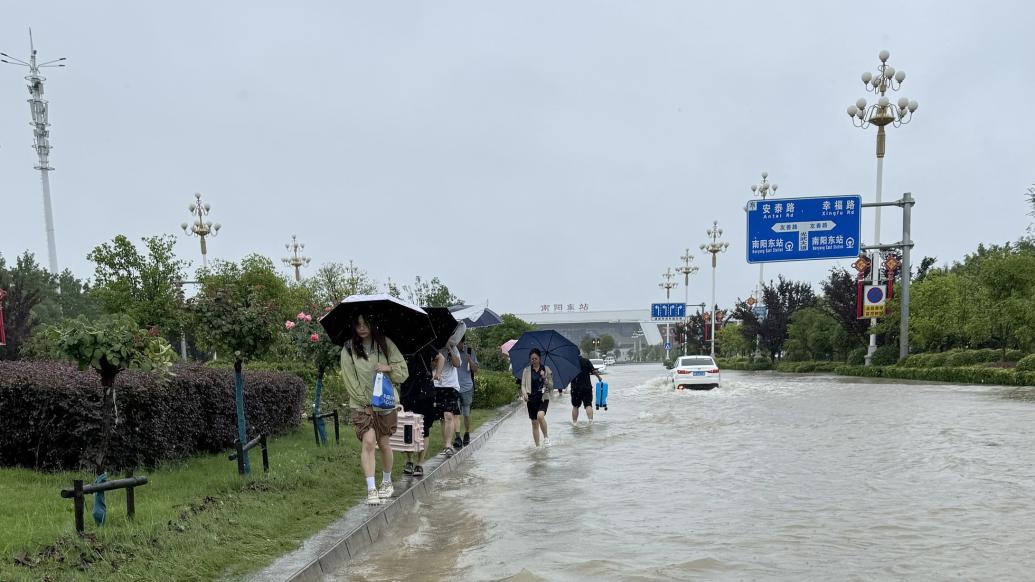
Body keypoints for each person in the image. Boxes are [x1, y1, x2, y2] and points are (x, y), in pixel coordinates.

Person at [340, 314, 409, 506]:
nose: (362, 328)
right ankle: (371, 488)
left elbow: (403, 372)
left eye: (366, 324)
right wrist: (365, 402)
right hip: (362, 405)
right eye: (358, 324)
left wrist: (387, 367)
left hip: (385, 403)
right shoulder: (348, 349)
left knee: (384, 443)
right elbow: (349, 380)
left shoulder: (385, 344)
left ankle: (386, 482)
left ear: (373, 325)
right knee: (369, 442)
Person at [400, 344, 444, 478]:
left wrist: (438, 374)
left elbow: (440, 357)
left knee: (424, 429)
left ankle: (420, 463)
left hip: (425, 393)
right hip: (407, 391)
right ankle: (409, 460)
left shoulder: (425, 344)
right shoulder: (400, 346)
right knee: (407, 427)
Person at [433, 342, 463, 457]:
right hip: (437, 385)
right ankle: (446, 443)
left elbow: (457, 364)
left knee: (449, 415)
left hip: (451, 386)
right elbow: (430, 366)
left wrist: (449, 349)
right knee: (442, 418)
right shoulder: (434, 346)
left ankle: (448, 445)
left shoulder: (453, 347)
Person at [520, 348, 554, 447]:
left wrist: (544, 378)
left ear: (539, 358)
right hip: (531, 399)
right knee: (534, 423)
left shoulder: (546, 369)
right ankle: (537, 447)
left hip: (543, 398)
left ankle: (546, 437)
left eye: (535, 358)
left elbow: (551, 386)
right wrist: (524, 393)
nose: (534, 361)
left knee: (540, 416)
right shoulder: (526, 370)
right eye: (532, 359)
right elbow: (522, 385)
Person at [453, 336, 479, 449]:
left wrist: (470, 360)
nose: (458, 345)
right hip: (454, 387)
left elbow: (475, 369)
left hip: (467, 387)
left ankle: (467, 433)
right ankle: (457, 437)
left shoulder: (469, 351)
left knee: (466, 413)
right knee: (455, 413)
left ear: (463, 342)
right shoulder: (452, 351)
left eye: (460, 342)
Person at [570, 354, 604, 425]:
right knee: (588, 405)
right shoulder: (586, 361)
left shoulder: (571, 362)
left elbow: (567, 375)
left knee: (575, 406)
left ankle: (574, 423)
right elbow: (593, 371)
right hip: (586, 387)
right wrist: (599, 378)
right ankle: (590, 422)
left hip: (575, 388)